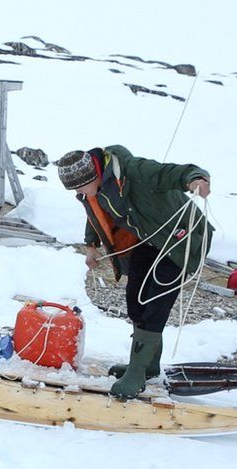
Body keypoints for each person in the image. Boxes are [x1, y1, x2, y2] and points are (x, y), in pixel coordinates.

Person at [57, 145, 213, 399]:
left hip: (179, 241)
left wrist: (196, 179)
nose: (79, 193)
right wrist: (91, 246)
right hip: (146, 242)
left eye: (80, 187)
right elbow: (94, 214)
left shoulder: (135, 171)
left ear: (94, 176)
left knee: (155, 302)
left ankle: (137, 374)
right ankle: (148, 366)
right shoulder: (95, 190)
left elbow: (172, 173)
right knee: (136, 300)